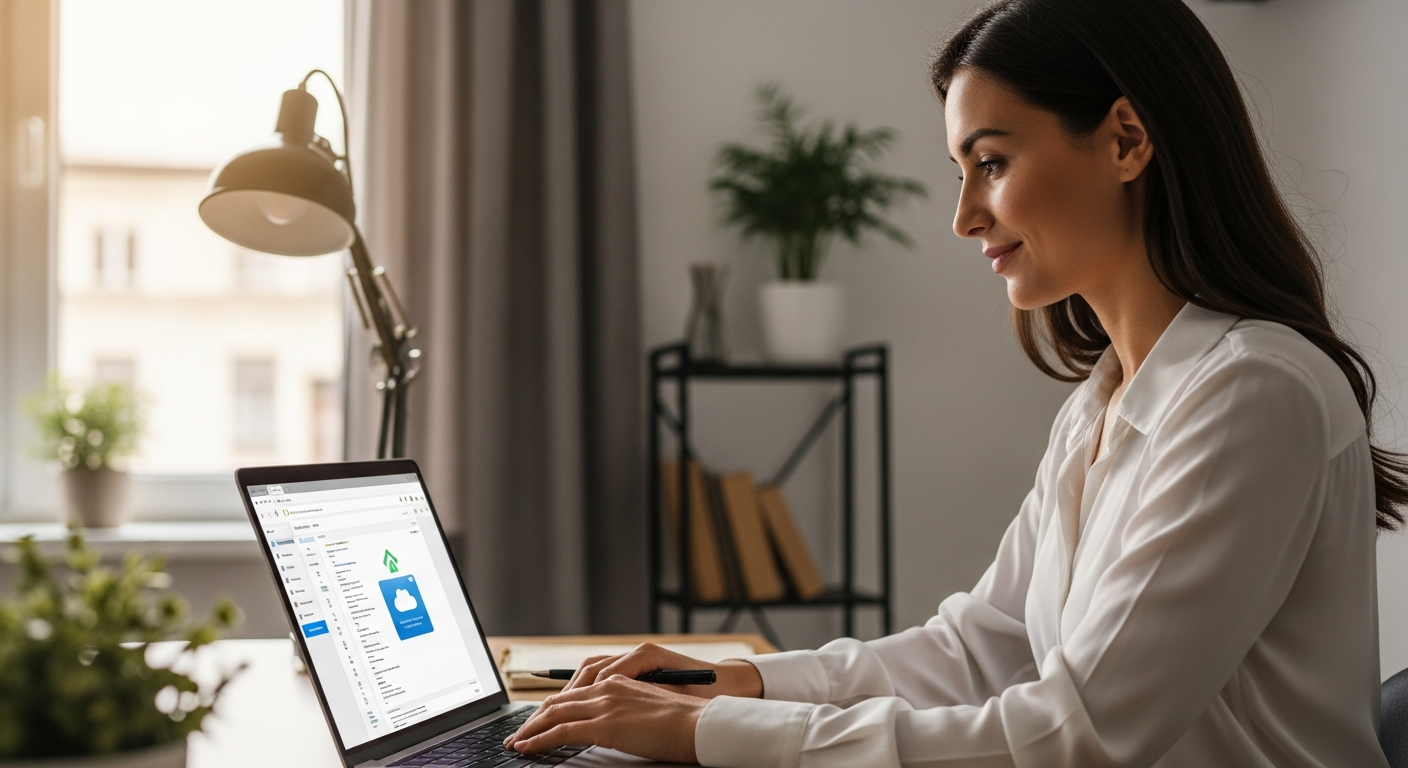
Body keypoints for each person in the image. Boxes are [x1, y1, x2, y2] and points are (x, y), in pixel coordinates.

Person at [506, 0, 1405, 765]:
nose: (965, 216)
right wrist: (728, 681)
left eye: (992, 163)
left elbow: (1078, 735)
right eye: (962, 170)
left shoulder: (1254, 391)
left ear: (1127, 140)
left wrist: (703, 731)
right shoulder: (1104, 402)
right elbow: (979, 647)